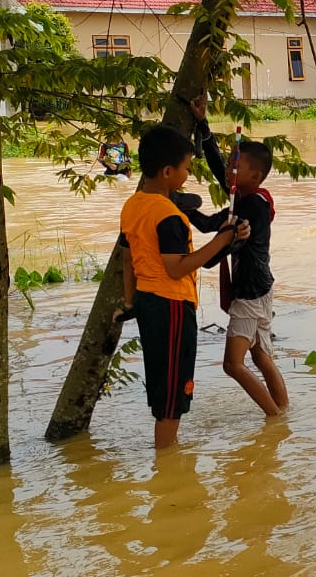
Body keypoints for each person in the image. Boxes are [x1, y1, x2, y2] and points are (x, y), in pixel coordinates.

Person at [117, 124, 248, 449]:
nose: (187, 175)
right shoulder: (169, 215)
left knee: (163, 384)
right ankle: (167, 459)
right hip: (172, 306)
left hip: (147, 303)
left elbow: (126, 258)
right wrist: (224, 238)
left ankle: (167, 452)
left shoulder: (133, 205)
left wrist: (131, 302)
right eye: (186, 169)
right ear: (166, 171)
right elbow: (177, 268)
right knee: (174, 391)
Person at [181, 98, 288, 419]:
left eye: (236, 166)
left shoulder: (251, 206)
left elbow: (210, 225)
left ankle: (273, 418)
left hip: (251, 294)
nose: (229, 169)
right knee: (261, 357)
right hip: (261, 288)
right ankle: (283, 413)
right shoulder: (248, 196)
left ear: (255, 178)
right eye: (230, 163)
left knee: (233, 365)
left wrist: (180, 204)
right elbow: (218, 168)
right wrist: (203, 125)